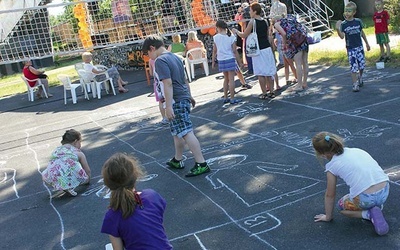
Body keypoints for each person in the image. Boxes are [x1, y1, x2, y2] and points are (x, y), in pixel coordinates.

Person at [142, 35, 211, 177]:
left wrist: (168, 106)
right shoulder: (174, 57)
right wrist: (189, 95)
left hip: (176, 101)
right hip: (183, 97)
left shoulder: (160, 60)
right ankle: (178, 159)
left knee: (186, 132)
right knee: (177, 131)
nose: (149, 57)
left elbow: (168, 83)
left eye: (148, 53)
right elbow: (184, 79)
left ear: (152, 48)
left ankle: (201, 163)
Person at [312, 132, 390, 236]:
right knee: (368, 193)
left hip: (365, 198)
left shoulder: (332, 166)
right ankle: (377, 206)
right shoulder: (357, 150)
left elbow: (330, 194)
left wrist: (328, 217)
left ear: (323, 154)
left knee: (341, 207)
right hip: (385, 190)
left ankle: (368, 214)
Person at [101, 153, 172, 249]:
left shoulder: (112, 216)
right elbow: (158, 231)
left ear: (108, 184)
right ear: (136, 176)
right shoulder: (152, 196)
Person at [232, 2, 277, 99]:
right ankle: (272, 92)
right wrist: (272, 47)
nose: (250, 12)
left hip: (258, 49)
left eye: (251, 10)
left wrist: (236, 31)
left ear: (255, 11)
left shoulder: (252, 22)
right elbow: (268, 35)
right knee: (269, 71)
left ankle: (264, 93)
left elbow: (244, 35)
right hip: (267, 48)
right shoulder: (265, 21)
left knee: (260, 72)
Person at [42, 129, 91, 197]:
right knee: (83, 177)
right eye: (80, 142)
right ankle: (69, 186)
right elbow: (87, 170)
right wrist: (88, 179)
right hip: (68, 178)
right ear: (75, 141)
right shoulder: (79, 153)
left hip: (51, 177)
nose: (80, 145)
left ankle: (63, 186)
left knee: (59, 168)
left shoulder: (57, 150)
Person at [335, 1, 370, 92]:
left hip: (359, 47)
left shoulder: (358, 22)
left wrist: (367, 43)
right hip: (350, 48)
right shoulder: (344, 24)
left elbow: (362, 33)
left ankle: (360, 77)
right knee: (353, 66)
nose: (347, 13)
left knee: (361, 65)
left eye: (349, 11)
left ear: (354, 12)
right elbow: (342, 36)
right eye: (346, 11)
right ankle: (355, 84)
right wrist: (338, 30)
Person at [274, 14, 309, 92]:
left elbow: (284, 34)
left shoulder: (277, 24)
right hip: (303, 38)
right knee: (305, 62)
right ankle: (304, 83)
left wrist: (285, 43)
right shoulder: (290, 17)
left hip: (295, 42)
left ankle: (299, 85)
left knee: (298, 63)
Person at [212, 20, 244, 105]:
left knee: (226, 79)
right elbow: (234, 50)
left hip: (221, 59)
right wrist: (239, 61)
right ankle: (232, 98)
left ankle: (226, 97)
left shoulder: (216, 37)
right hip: (230, 58)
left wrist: (213, 61)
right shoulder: (231, 37)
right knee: (231, 79)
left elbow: (214, 50)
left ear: (218, 28)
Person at [269, 0, 287, 70]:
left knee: (279, 44)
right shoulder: (283, 5)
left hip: (277, 27)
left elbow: (272, 18)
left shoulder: (273, 7)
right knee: (284, 43)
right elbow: (285, 16)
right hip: (284, 26)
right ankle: (287, 59)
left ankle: (282, 61)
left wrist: (272, 27)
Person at [149, 57, 168, 125]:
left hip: (157, 84)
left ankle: (164, 118)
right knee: (168, 99)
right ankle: (169, 116)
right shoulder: (162, 58)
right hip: (164, 82)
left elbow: (151, 73)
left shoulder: (151, 60)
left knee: (161, 101)